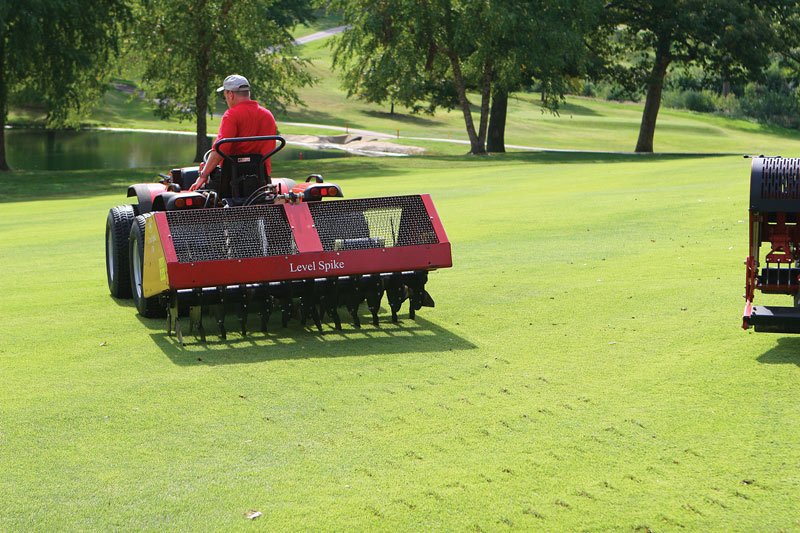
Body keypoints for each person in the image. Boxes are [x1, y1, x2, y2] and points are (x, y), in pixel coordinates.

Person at [189, 74, 277, 191]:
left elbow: (221, 150)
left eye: (225, 95)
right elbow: (270, 147)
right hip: (262, 179)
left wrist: (203, 176)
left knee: (202, 191)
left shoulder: (232, 115)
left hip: (231, 182)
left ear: (230, 95)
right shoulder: (267, 115)